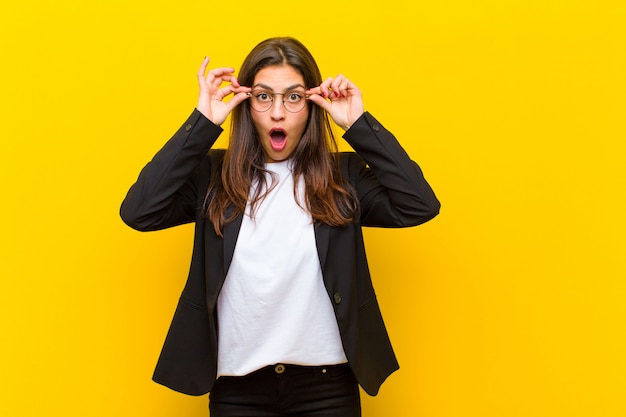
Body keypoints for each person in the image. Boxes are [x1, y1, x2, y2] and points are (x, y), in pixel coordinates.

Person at [120, 37, 440, 417]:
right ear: (245, 102)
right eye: (263, 96)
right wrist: (202, 123)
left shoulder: (344, 177)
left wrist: (358, 124)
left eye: (293, 97)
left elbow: (419, 204)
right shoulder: (213, 176)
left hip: (328, 388)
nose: (277, 113)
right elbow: (139, 211)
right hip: (238, 389)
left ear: (312, 103)